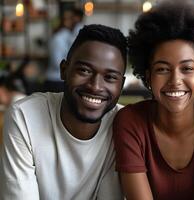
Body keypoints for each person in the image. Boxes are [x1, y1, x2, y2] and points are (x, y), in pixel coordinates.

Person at [113, 2, 194, 200]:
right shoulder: (130, 122)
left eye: (187, 69)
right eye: (162, 69)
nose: (175, 81)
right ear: (148, 76)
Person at [0, 24, 127, 200]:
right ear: (63, 70)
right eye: (84, 70)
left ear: (121, 84)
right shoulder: (24, 117)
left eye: (110, 77)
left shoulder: (124, 125)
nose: (95, 86)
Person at [44, 8, 84, 93]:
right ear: (63, 21)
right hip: (56, 81)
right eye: (70, 18)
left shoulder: (69, 36)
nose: (73, 20)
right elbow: (57, 62)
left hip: (63, 79)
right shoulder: (58, 38)